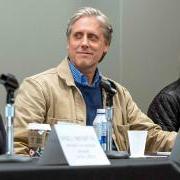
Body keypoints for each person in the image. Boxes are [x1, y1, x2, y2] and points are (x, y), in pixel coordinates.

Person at [14, 7, 177, 155]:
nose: (84, 43)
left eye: (92, 38)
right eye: (77, 36)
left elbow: (152, 137)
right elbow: (18, 147)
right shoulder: (38, 87)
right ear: (68, 43)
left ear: (105, 45)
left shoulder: (117, 93)